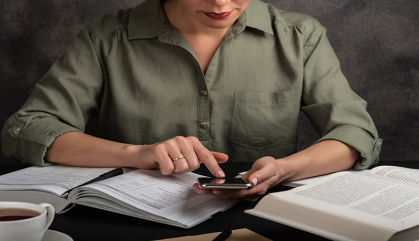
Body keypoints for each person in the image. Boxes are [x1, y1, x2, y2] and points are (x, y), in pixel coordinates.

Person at [1, 0, 382, 201]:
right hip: (135, 221)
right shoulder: (106, 37)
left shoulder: (301, 36)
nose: (221, 2)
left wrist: (285, 169)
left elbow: (355, 133)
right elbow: (29, 128)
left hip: (264, 218)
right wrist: (137, 154)